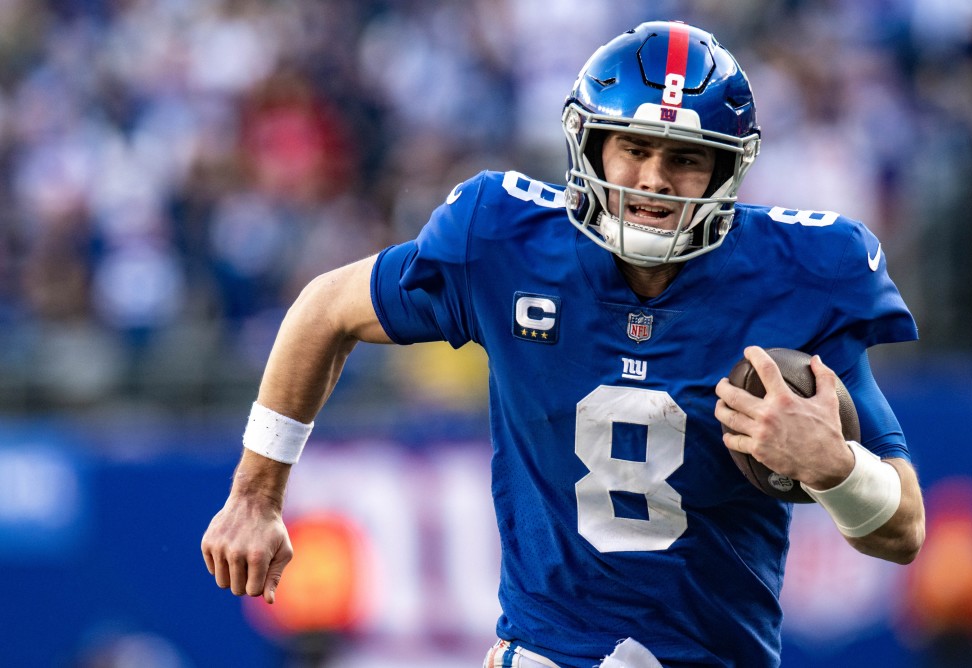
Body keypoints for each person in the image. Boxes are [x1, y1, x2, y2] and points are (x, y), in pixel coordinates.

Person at [201, 20, 925, 667]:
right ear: (590, 146)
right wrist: (255, 494)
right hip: (549, 650)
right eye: (634, 149)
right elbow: (322, 309)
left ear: (726, 171)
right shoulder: (504, 240)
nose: (654, 181)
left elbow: (904, 529)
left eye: (684, 159)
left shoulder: (801, 277)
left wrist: (835, 468)